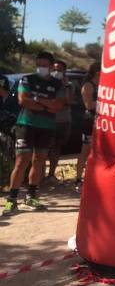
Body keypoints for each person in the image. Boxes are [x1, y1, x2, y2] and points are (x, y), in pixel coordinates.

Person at [3, 52, 65, 215]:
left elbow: (58, 105)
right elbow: (23, 100)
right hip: (26, 125)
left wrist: (36, 99)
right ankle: (12, 200)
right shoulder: (27, 79)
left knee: (39, 161)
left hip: (47, 127)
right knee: (21, 161)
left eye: (44, 65)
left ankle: (31, 196)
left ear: (51, 67)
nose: (41, 68)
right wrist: (47, 105)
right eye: (39, 65)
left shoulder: (58, 84)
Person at [47, 60, 74, 181]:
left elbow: (68, 101)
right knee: (43, 149)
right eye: (54, 69)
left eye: (59, 70)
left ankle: (51, 174)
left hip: (63, 121)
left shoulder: (69, 85)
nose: (56, 72)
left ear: (64, 72)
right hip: (48, 120)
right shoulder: (47, 83)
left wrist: (65, 86)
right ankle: (39, 176)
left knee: (56, 148)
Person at [77, 62, 100, 193]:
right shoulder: (88, 85)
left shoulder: (102, 85)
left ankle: (93, 178)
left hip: (101, 122)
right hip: (89, 120)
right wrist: (104, 101)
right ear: (97, 72)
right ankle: (78, 179)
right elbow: (89, 105)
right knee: (86, 151)